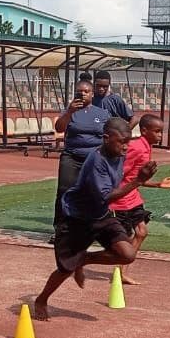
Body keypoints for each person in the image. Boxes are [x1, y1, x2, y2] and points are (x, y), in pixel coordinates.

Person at [34, 118, 157, 320]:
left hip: (101, 215)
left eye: (128, 141)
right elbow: (106, 196)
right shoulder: (96, 162)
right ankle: (42, 299)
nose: (126, 146)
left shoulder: (118, 154)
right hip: (77, 219)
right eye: (122, 142)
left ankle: (85, 258)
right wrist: (139, 181)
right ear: (106, 139)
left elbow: (118, 186)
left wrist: (143, 180)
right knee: (65, 269)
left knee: (127, 254)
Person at [110, 113, 170, 284]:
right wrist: (112, 193)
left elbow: (137, 178)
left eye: (161, 132)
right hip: (121, 199)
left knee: (141, 232)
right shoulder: (136, 147)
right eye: (156, 131)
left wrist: (157, 184)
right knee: (124, 238)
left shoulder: (146, 146)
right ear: (143, 130)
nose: (160, 135)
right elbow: (120, 172)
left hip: (133, 197)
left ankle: (121, 272)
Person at [50, 78, 112, 230]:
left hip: (93, 159)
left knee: (96, 192)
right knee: (65, 191)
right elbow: (59, 128)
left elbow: (109, 134)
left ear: (92, 94)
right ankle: (61, 227)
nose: (83, 94)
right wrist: (70, 111)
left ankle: (94, 226)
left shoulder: (102, 113)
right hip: (72, 157)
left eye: (86, 91)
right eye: (79, 92)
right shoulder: (70, 111)